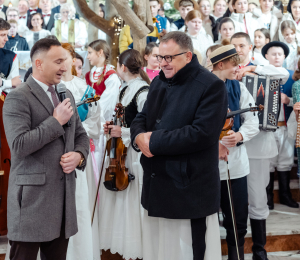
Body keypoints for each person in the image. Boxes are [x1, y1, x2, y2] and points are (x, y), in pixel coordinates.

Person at [130, 31, 227, 260]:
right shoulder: (159, 81)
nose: (163, 63)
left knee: (187, 252)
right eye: (160, 57)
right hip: (157, 184)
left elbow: (201, 134)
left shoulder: (211, 85)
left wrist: (152, 141)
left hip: (189, 188)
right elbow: (141, 117)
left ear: (188, 56)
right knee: (158, 251)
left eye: (169, 58)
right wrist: (138, 137)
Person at [3, 37, 89, 260]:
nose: (65, 67)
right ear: (39, 64)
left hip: (63, 203)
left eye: (66, 61)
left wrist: (78, 155)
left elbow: (80, 135)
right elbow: (19, 145)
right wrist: (55, 122)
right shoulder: (17, 97)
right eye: (58, 61)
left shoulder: (65, 93)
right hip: (31, 203)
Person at [237, 41, 291, 260]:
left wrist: (252, 68)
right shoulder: (223, 77)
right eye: (234, 46)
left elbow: (283, 74)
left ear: (250, 48)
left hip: (259, 146)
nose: (239, 50)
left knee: (258, 196)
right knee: (235, 199)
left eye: (242, 45)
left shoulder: (263, 70)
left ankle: (259, 249)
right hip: (231, 147)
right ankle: (236, 245)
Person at [100, 49, 150, 260]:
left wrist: (124, 131)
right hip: (122, 153)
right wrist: (113, 126)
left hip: (136, 156)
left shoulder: (143, 91)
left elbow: (148, 128)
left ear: (122, 67)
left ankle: (138, 249)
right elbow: (125, 120)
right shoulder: (124, 89)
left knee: (134, 199)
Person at [211, 44, 259, 260]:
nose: (238, 67)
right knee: (206, 220)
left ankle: (236, 256)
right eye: (233, 63)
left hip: (236, 165)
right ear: (220, 64)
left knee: (237, 221)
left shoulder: (238, 87)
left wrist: (239, 136)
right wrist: (216, 145)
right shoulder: (199, 88)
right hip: (208, 166)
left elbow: (252, 120)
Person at [60, 43, 103, 260]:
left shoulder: (85, 90)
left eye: (65, 58)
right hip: (52, 157)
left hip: (77, 157)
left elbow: (95, 126)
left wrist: (72, 133)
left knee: (78, 210)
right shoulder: (47, 88)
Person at [0, 19, 22, 90]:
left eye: (6, 35)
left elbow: (14, 87)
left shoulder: (11, 57)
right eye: (3, 35)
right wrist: (8, 83)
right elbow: (12, 83)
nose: (6, 39)